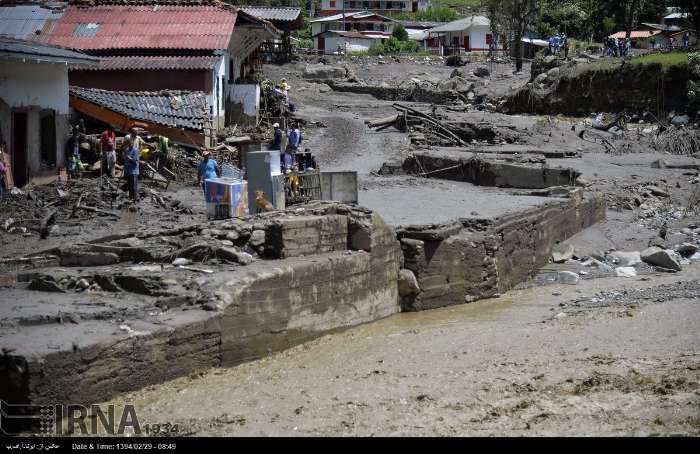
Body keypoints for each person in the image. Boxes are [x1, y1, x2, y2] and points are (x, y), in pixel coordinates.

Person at [123, 137, 140, 202]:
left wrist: (128, 158)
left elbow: (135, 161)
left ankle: (135, 199)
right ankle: (130, 198)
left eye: (131, 143)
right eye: (129, 143)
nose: (130, 144)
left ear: (133, 144)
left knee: (134, 186)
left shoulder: (135, 150)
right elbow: (125, 159)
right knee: (130, 185)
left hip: (134, 171)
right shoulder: (126, 150)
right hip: (128, 170)